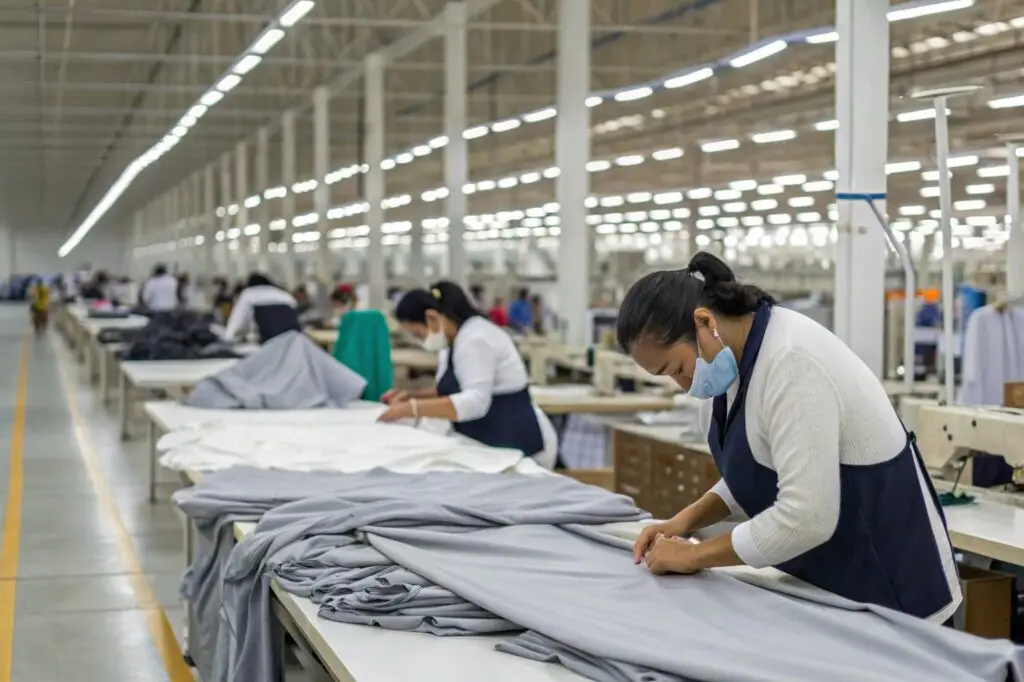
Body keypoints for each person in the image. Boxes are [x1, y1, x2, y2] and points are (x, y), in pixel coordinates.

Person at [620, 252, 960, 623]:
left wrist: (694, 555)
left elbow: (806, 518)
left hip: (894, 596)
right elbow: (757, 471)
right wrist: (682, 522)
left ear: (704, 322)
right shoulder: (731, 369)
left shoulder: (790, 362)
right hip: (831, 588)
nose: (683, 384)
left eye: (677, 369)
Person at [380, 284, 557, 469]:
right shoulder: (452, 341)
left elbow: (475, 402)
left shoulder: (476, 339)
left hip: (516, 438)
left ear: (432, 317)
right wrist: (412, 396)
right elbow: (452, 390)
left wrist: (411, 409)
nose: (421, 340)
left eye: (418, 334)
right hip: (489, 438)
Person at [221, 273, 301, 343]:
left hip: (270, 338)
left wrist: (227, 337)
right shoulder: (284, 295)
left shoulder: (249, 293)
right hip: (294, 337)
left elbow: (237, 318)